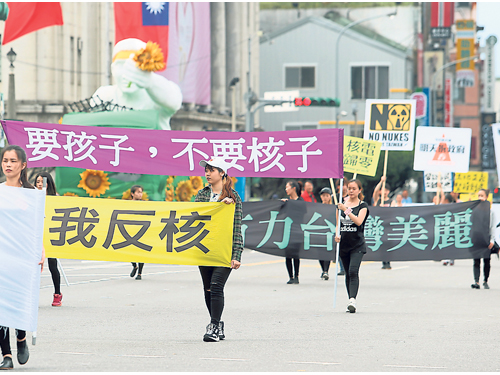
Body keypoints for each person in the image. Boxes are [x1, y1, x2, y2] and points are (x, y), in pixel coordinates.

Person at [0, 145, 45, 370]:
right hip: (1, 256)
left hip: (22, 257)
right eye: (5, 160)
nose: (8, 164)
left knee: (17, 299)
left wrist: (41, 252)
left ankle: (20, 338)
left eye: (13, 161)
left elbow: (37, 228)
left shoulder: (31, 196)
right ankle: (6, 355)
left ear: (23, 165)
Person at [195, 157, 243, 342]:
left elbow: (237, 227)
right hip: (204, 249)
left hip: (224, 251)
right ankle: (217, 323)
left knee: (216, 286)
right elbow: (193, 219)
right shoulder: (201, 195)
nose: (207, 173)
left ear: (222, 173)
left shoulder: (233, 197)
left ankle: (213, 326)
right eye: (206, 170)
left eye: (211, 170)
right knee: (208, 289)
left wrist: (236, 255)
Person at [92, 38, 182, 130]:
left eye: (135, 66)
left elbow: (174, 101)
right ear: (113, 69)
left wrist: (151, 82)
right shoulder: (105, 96)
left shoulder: (155, 98)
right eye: (121, 65)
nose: (127, 73)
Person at [335, 179, 369, 313]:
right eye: (349, 188)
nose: (351, 191)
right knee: (347, 273)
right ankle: (350, 298)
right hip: (344, 245)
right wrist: (336, 234)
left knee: (353, 271)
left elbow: (359, 221)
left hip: (357, 245)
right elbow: (338, 224)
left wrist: (346, 210)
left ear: (359, 190)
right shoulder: (340, 205)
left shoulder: (363, 206)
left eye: (354, 188)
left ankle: (353, 300)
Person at [35, 172, 63, 306]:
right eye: (37, 182)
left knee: (52, 265)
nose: (40, 184)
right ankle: (31, 295)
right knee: (34, 265)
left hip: (50, 235)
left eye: (42, 182)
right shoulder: (32, 196)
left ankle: (57, 293)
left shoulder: (55, 198)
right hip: (35, 234)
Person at [319, 187, 345, 278]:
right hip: (320, 232)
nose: (325, 198)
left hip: (330, 232)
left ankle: (326, 271)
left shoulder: (334, 207)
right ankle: (323, 270)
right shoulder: (318, 207)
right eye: (323, 196)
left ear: (330, 197)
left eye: (327, 196)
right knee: (320, 253)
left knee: (328, 252)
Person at [471, 189, 494, 289]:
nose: (480, 198)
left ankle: (485, 280)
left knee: (487, 261)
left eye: (482, 195)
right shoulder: (475, 211)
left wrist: (492, 240)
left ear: (486, 197)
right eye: (478, 195)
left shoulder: (491, 212)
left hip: (487, 239)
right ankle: (476, 281)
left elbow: (492, 227)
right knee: (476, 260)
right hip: (477, 238)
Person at [282, 180, 304, 284]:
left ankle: (296, 276)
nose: (286, 189)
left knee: (295, 254)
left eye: (287, 187)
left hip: (297, 231)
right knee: (287, 254)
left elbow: (304, 213)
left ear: (293, 188)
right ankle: (290, 276)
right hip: (287, 231)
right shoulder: (286, 202)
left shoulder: (301, 201)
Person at [373, 176, 392, 269]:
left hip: (388, 226)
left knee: (388, 244)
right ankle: (384, 262)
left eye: (386, 190)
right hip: (379, 226)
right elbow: (375, 191)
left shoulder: (391, 201)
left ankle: (388, 262)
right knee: (381, 244)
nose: (384, 192)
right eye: (383, 190)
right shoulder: (378, 200)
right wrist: (381, 181)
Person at [129, 185, 146, 280]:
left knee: (141, 251)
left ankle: (139, 273)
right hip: (130, 230)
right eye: (138, 192)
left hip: (141, 230)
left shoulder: (144, 204)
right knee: (128, 250)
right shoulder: (128, 204)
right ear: (132, 194)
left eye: (141, 192)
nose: (140, 194)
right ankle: (134, 266)